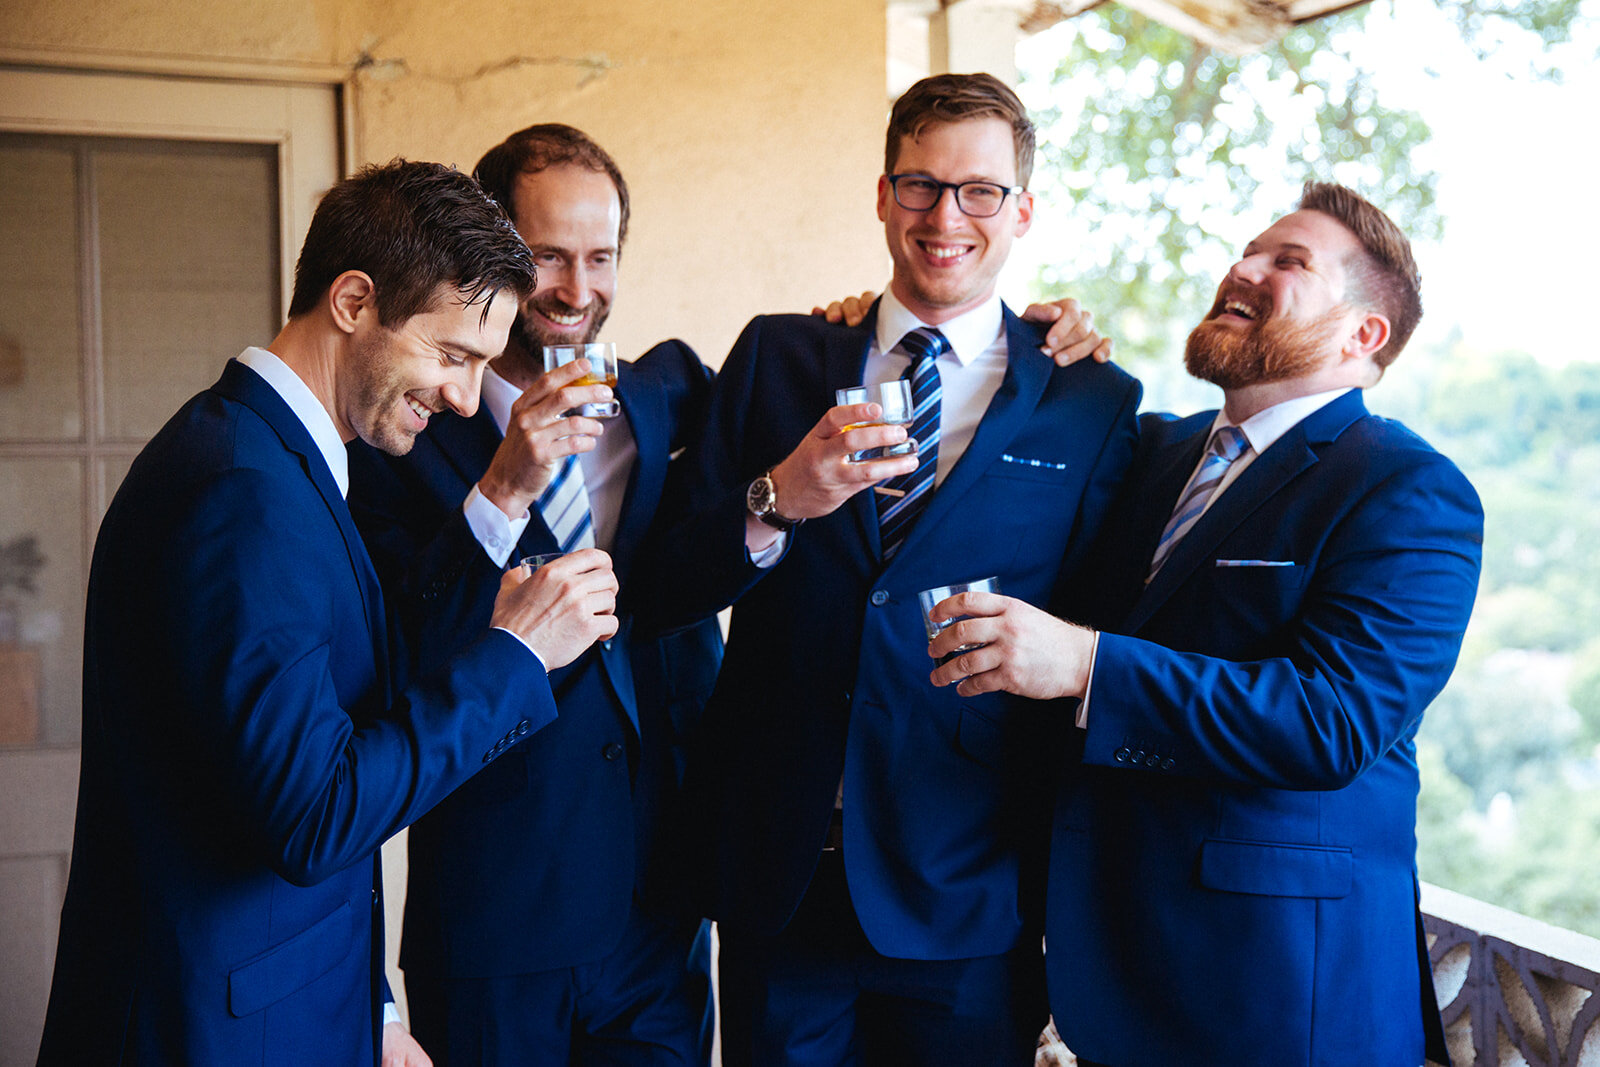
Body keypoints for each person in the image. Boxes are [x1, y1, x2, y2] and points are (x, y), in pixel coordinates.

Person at [36, 159, 620, 1067]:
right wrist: (515, 653)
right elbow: (316, 811)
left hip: (296, 1009)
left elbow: (312, 741)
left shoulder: (282, 461)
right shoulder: (244, 489)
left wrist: (375, 1009)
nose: (467, 398)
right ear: (353, 300)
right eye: (452, 354)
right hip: (215, 1031)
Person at [643, 73, 1142, 1066]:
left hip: (967, 889)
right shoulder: (777, 355)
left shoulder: (1089, 399)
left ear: (1022, 209)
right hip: (775, 877)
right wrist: (776, 496)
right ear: (881, 195)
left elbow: (1097, 630)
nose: (945, 214)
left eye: (979, 190)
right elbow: (662, 587)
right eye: (919, 184)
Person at [926, 182, 1479, 1066]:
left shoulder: (1409, 488)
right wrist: (906, 329)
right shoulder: (1150, 451)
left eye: (1288, 262)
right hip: (1096, 971)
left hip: (1279, 997)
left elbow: (1331, 722)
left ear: (1362, 334)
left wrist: (1086, 666)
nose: (1244, 267)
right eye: (1249, 249)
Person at [346, 125, 722, 1066]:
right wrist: (500, 489)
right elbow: (397, 656)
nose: (576, 288)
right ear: (491, 251)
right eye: (547, 255)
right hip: (493, 925)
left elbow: (814, 395)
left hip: (657, 921)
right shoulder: (402, 430)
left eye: (600, 257)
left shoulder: (664, 398)